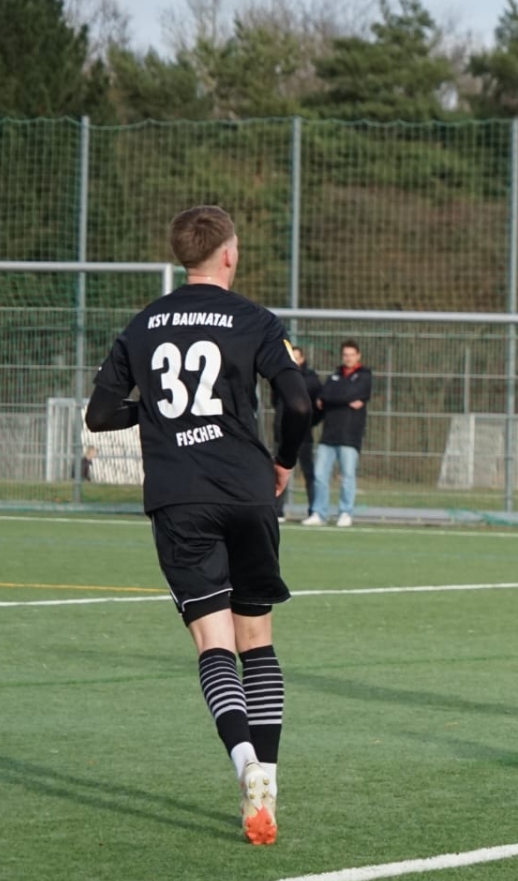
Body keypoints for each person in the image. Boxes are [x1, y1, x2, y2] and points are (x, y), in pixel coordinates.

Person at [84, 204, 312, 845]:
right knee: (256, 642)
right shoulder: (254, 319)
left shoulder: (143, 323)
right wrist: (284, 462)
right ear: (230, 253)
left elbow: (100, 415)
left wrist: (156, 416)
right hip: (247, 489)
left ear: (182, 255)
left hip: (179, 497)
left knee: (214, 645)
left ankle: (244, 767)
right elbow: (298, 402)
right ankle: (268, 780)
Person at [306, 340, 371, 528]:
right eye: (345, 355)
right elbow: (324, 395)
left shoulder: (364, 375)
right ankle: (319, 513)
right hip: (328, 435)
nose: (348, 358)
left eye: (351, 355)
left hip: (349, 436)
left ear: (358, 355)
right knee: (319, 475)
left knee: (347, 477)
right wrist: (339, 398)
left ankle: (345, 513)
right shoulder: (334, 376)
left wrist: (331, 398)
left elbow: (348, 393)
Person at [272, 343, 322, 523]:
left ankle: (314, 511)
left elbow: (317, 408)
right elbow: (275, 402)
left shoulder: (311, 379)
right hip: (281, 435)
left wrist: (307, 423)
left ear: (302, 359)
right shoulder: (279, 376)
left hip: (303, 436)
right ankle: (278, 511)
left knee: (308, 473)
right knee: (278, 473)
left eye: (296, 357)